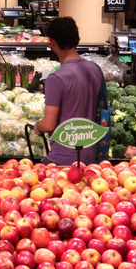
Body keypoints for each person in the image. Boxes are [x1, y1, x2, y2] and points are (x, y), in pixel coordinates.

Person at [33, 17, 105, 165]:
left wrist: (37, 126)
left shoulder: (57, 78)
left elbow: (48, 125)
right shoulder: (95, 69)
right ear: (77, 39)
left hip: (63, 159)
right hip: (91, 155)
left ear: (52, 43)